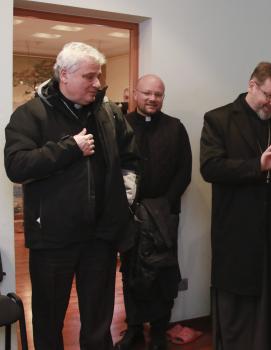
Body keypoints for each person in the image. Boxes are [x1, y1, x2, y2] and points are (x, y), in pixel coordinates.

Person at [4, 42, 139, 350]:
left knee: (98, 322)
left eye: (98, 76)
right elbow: (17, 165)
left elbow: (130, 157)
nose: (97, 84)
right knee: (49, 320)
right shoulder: (30, 114)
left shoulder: (108, 113)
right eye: (89, 77)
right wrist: (70, 148)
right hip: (53, 239)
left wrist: (124, 197)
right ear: (64, 75)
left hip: (101, 237)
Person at [200, 62, 271, 350]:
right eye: (269, 95)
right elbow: (210, 168)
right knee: (239, 299)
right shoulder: (219, 119)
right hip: (237, 228)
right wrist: (256, 166)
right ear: (252, 85)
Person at [114, 74, 192, 350]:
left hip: (164, 214)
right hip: (129, 215)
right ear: (135, 94)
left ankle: (159, 330)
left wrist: (163, 205)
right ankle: (133, 328)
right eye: (147, 93)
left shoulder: (175, 128)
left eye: (158, 94)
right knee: (131, 271)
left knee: (162, 272)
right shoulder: (120, 126)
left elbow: (184, 172)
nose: (152, 99)